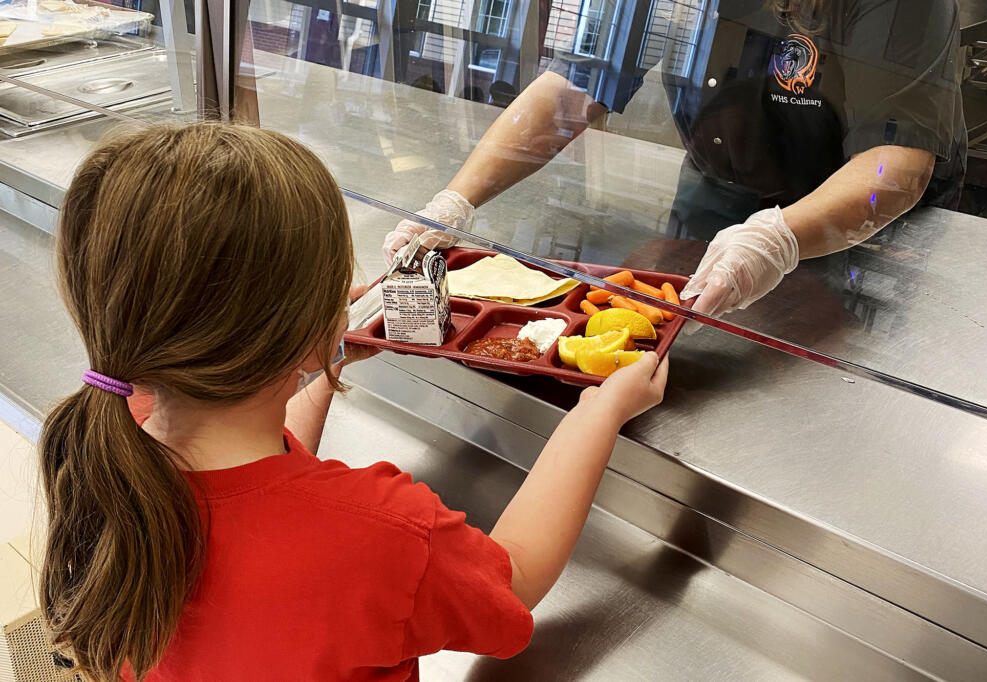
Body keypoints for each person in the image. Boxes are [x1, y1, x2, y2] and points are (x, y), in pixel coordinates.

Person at [38, 123, 669, 681]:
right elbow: (514, 578)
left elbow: (257, 484)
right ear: (306, 323)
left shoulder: (107, 452)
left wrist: (321, 359)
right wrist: (600, 411)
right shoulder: (384, 533)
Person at [383, 0, 966, 332]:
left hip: (864, 214)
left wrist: (779, 239)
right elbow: (569, 90)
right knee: (687, 336)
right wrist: (454, 203)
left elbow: (898, 161)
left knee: (825, 360)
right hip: (718, 187)